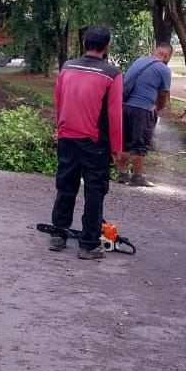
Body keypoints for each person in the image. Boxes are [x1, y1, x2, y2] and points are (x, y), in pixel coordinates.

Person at [49, 24, 124, 260]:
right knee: (94, 192)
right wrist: (116, 149)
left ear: (84, 44)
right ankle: (88, 244)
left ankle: (58, 235)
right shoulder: (112, 74)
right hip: (96, 143)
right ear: (107, 46)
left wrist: (59, 131)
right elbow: (114, 115)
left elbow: (58, 102)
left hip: (67, 137)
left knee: (65, 186)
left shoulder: (67, 67)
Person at [118, 42, 173, 187]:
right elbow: (163, 94)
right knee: (140, 144)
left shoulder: (139, 61)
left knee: (125, 141)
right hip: (142, 109)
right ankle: (137, 177)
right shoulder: (164, 69)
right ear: (167, 56)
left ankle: (122, 174)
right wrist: (158, 107)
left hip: (124, 106)